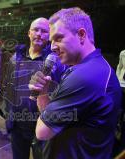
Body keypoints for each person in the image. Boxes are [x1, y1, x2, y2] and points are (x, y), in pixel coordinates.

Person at [29, 7, 122, 159]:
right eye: (51, 40)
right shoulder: (90, 67)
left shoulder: (85, 76)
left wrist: (45, 100)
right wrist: (43, 91)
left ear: (81, 34)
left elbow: (42, 132)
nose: (52, 46)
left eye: (58, 38)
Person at [3, 17, 65, 159]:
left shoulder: (56, 60)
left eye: (44, 31)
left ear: (49, 36)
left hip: (41, 125)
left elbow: (61, 92)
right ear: (29, 33)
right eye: (35, 30)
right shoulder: (15, 57)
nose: (39, 34)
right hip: (17, 123)